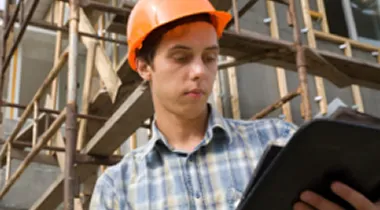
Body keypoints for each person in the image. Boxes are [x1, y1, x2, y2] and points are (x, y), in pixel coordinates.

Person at [89, 0, 380, 209]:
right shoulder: (118, 188)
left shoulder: (281, 141)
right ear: (143, 66)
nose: (199, 71)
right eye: (181, 57)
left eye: (210, 57)